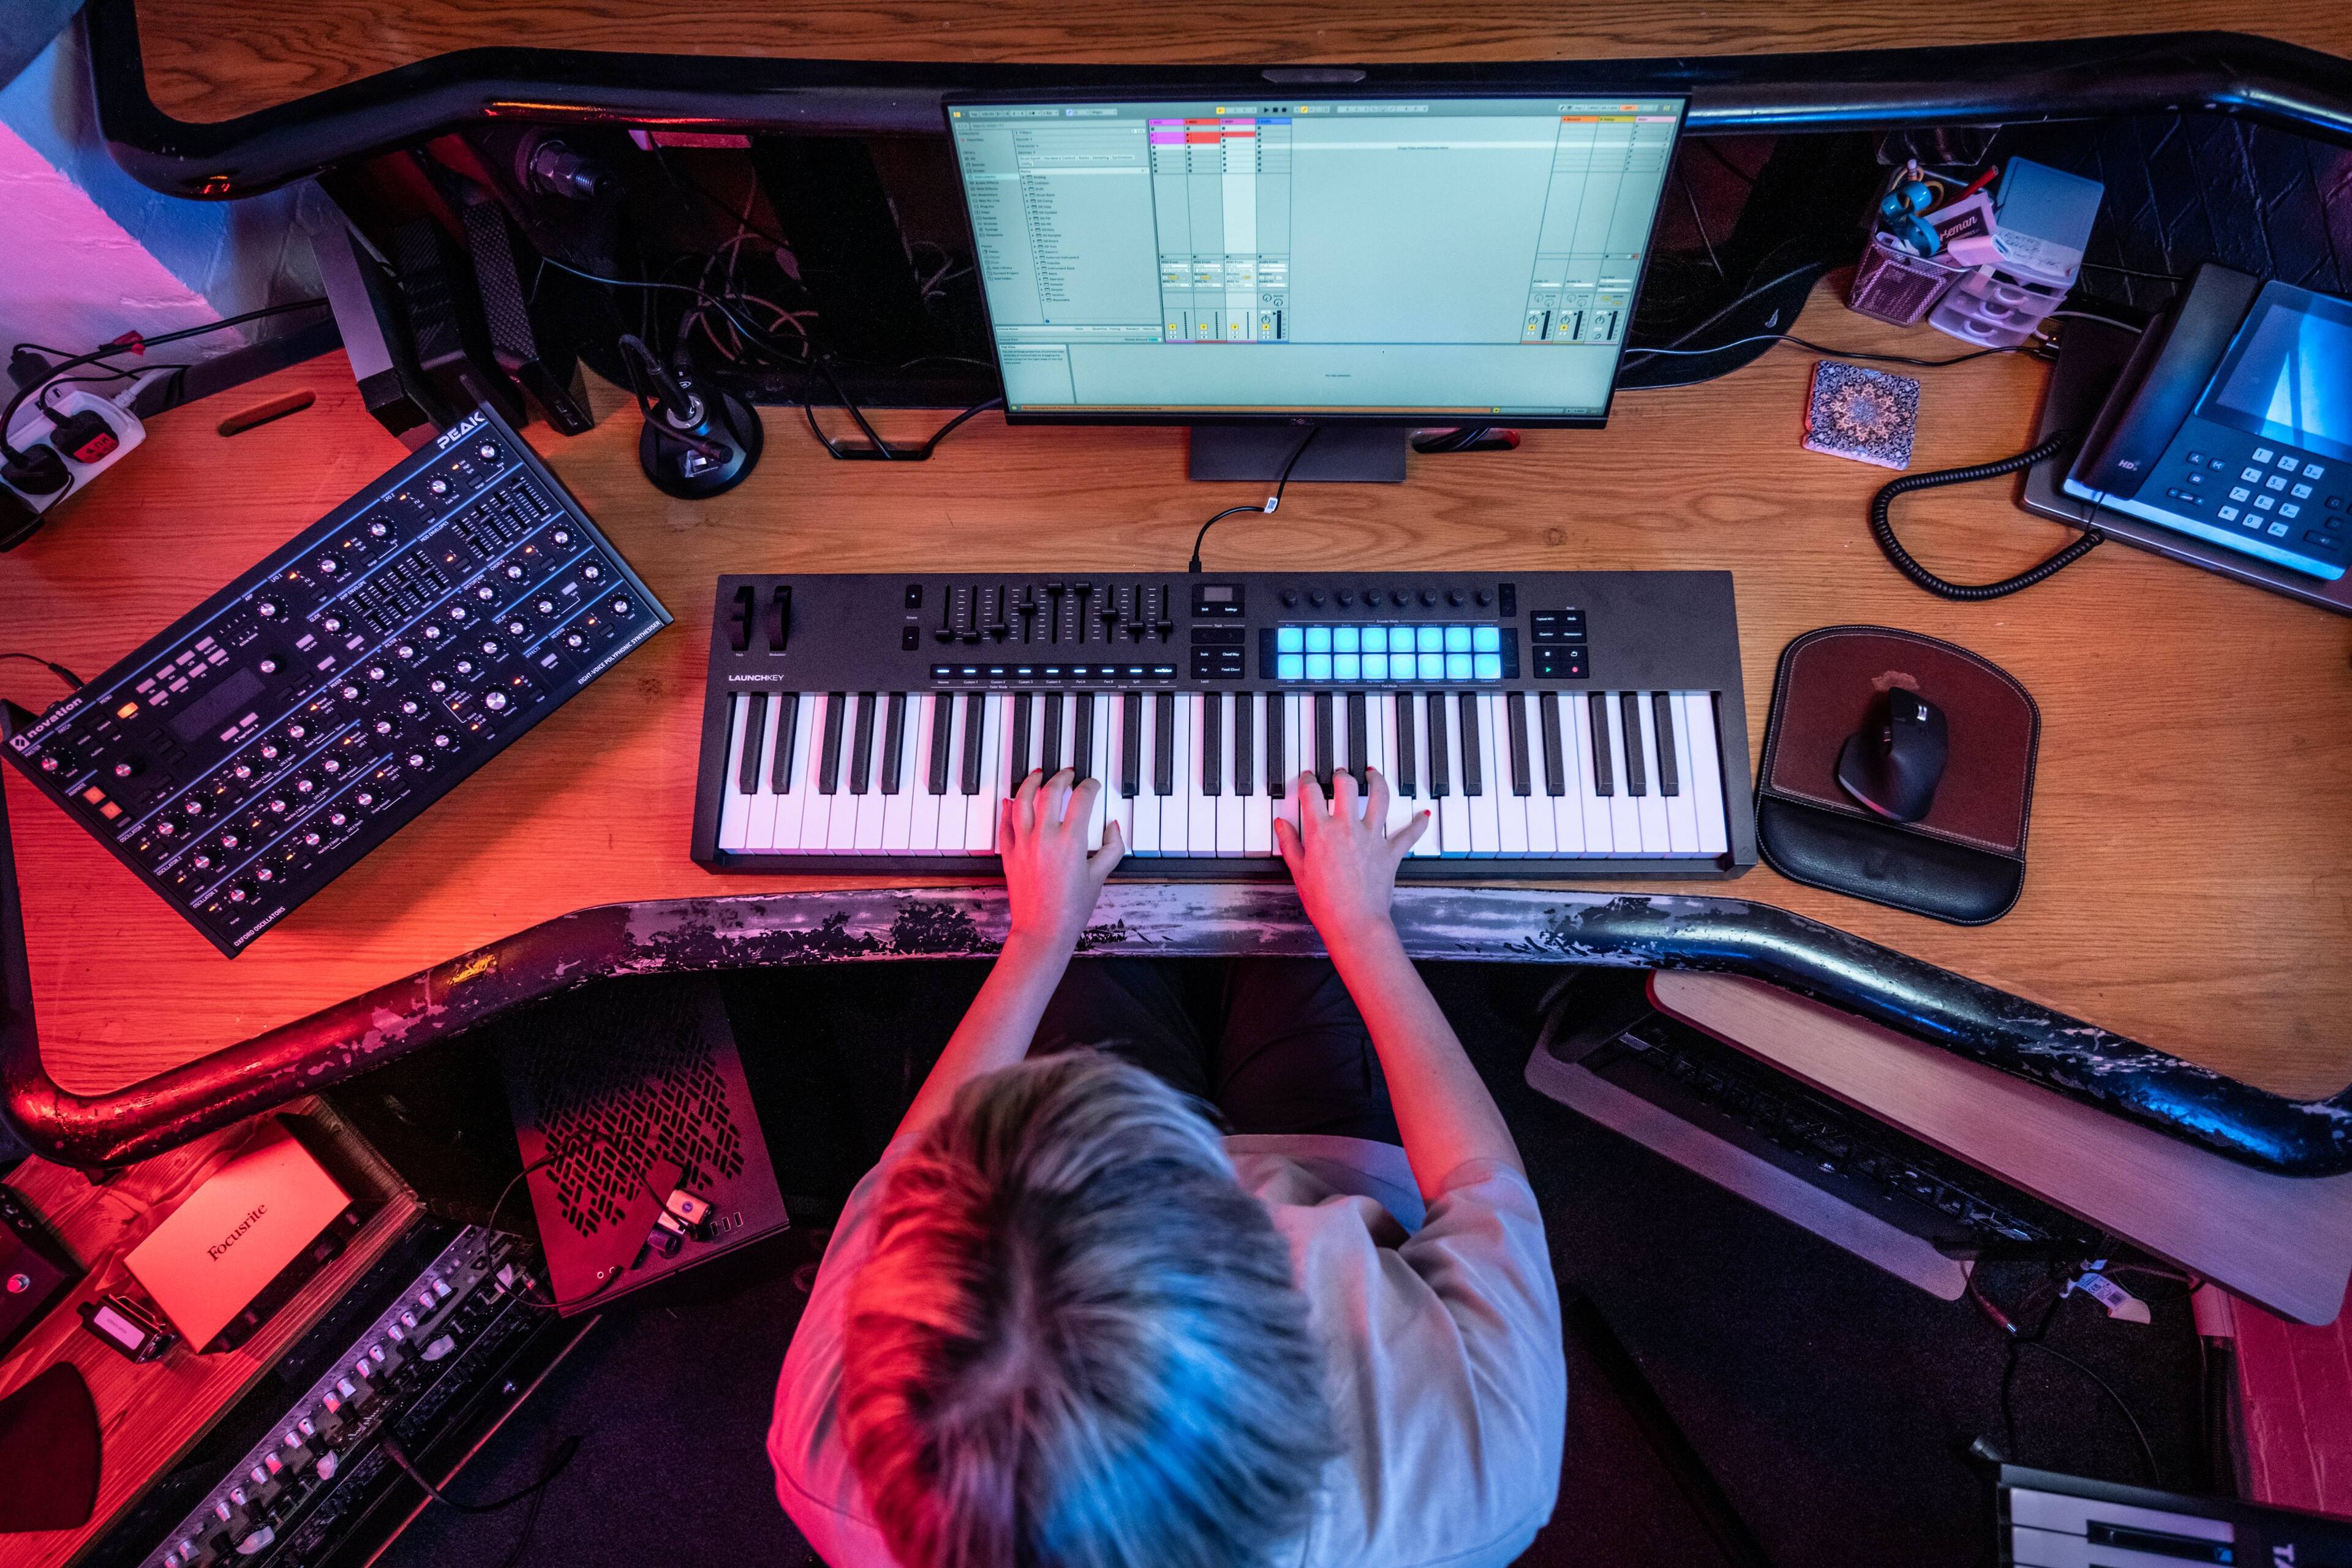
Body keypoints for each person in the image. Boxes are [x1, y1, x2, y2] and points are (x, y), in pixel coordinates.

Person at [771, 765, 1566, 1568]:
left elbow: (915, 1164)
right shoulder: (1479, 1474)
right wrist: (1363, 928)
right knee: (1290, 919)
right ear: (1280, 1319)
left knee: (1101, 922)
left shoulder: (834, 1461)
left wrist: (1037, 940)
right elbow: (1478, 1184)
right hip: (1336, 1162)